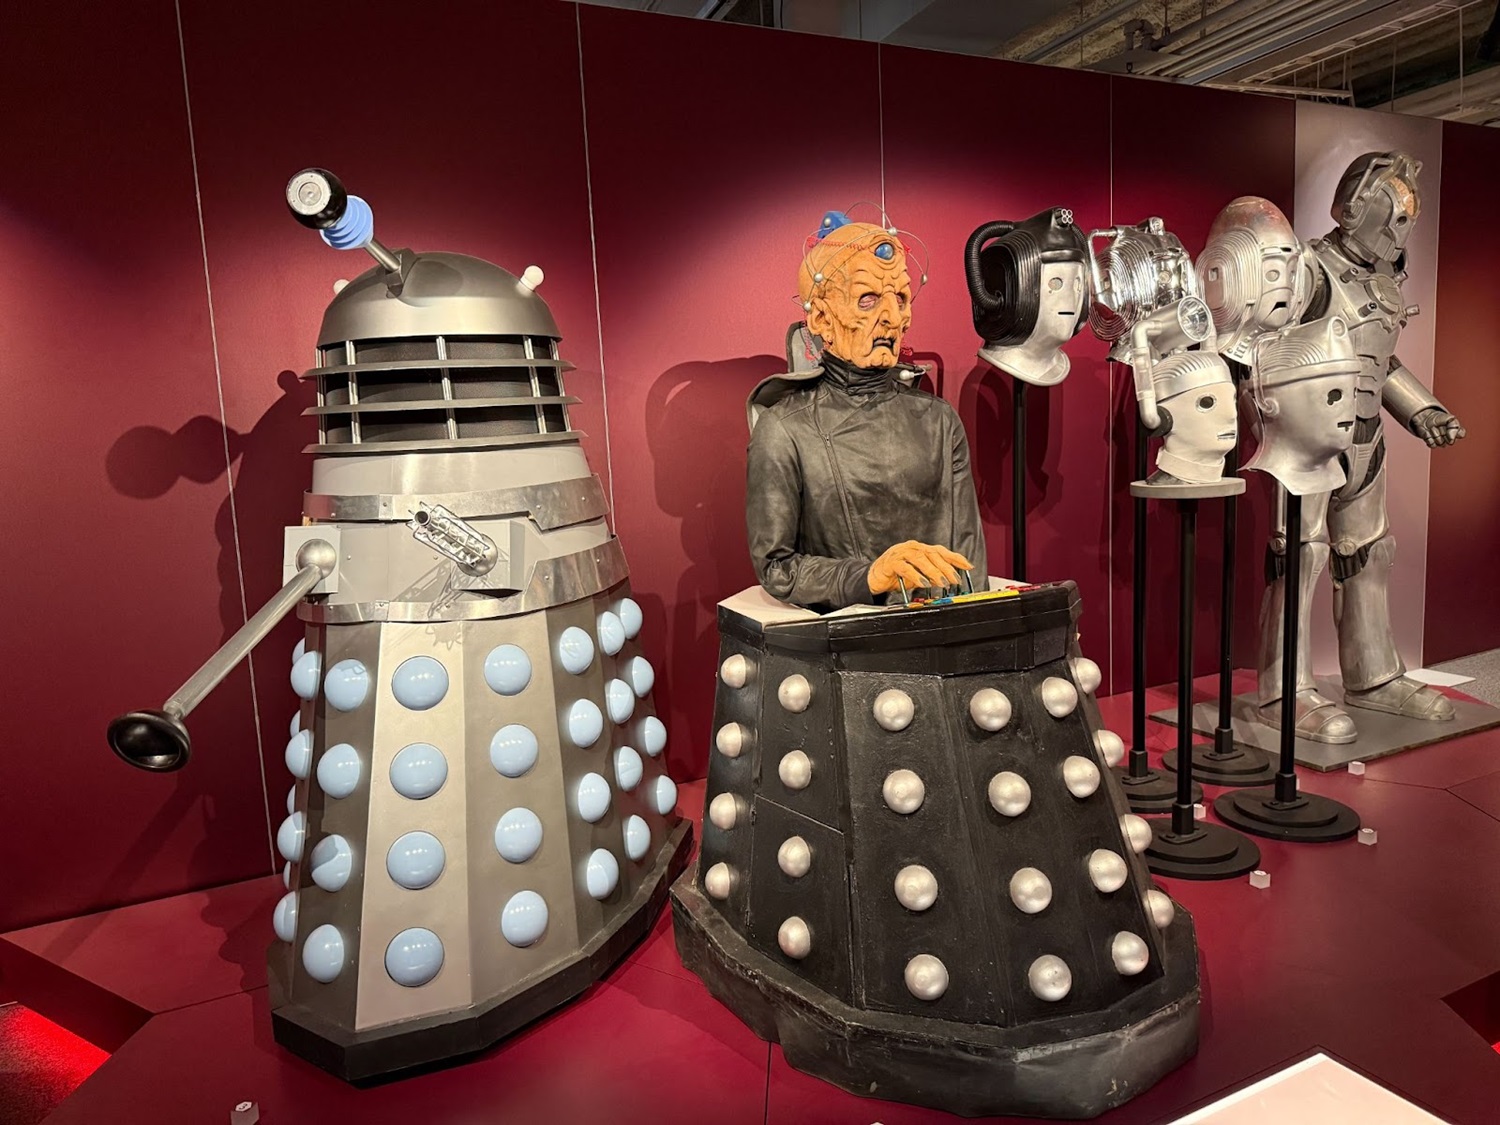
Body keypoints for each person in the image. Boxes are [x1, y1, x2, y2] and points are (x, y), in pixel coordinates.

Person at [745, 212, 986, 612]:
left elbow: (969, 563)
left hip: (941, 635)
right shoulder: (783, 429)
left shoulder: (939, 421)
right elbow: (777, 567)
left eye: (901, 298)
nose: (892, 317)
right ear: (821, 318)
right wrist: (870, 575)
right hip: (846, 639)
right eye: (868, 299)